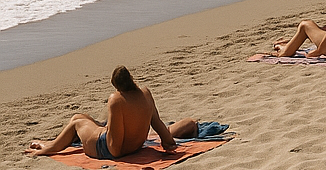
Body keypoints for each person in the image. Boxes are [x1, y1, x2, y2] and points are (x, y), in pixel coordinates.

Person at [24, 66, 197, 159]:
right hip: (135, 146)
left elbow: (114, 146)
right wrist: (169, 143)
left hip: (108, 149)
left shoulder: (116, 100)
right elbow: (157, 124)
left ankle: (45, 149)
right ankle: (49, 142)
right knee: (79, 117)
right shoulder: (145, 94)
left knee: (77, 123)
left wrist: (106, 138)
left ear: (117, 87)